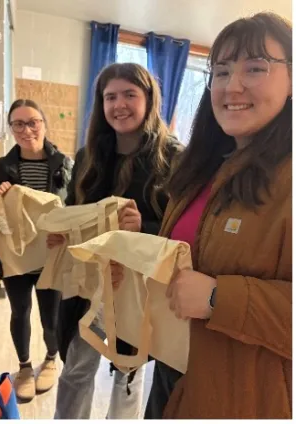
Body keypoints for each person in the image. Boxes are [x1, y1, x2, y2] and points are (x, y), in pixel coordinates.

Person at [144, 12, 292, 419]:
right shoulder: (204, 166)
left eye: (256, 68)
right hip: (174, 372)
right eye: (221, 71)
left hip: (243, 395)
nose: (233, 86)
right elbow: (191, 255)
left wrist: (217, 297)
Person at [49, 62, 183, 419]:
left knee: (128, 371)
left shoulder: (173, 159)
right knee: (77, 366)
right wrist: (60, 232)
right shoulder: (88, 157)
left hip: (136, 290)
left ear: (149, 99)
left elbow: (183, 234)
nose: (119, 104)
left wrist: (145, 228)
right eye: (110, 97)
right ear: (100, 103)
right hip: (88, 286)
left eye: (129, 94)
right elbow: (72, 210)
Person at [0, 99, 73, 401]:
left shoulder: (64, 164)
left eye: (33, 122)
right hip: (15, 259)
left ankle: (50, 359)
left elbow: (75, 208)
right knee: (20, 311)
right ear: (11, 129)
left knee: (52, 316)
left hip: (52, 256)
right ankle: (24, 367)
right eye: (18, 124)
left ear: (44, 124)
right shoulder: (0, 169)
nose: (26, 130)